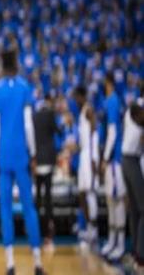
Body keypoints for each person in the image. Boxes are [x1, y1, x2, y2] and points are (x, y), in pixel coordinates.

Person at [0, 44, 44, 275]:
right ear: (17, 64)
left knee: (5, 208)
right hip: (22, 154)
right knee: (29, 207)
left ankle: (10, 264)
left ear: (3, 66)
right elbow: (29, 124)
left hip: (4, 155)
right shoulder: (24, 87)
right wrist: (33, 152)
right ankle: (37, 263)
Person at [100, 73, 126, 261]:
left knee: (117, 200)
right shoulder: (113, 100)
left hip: (115, 159)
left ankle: (120, 243)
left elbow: (112, 131)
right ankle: (112, 240)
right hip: (113, 158)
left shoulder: (112, 101)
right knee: (111, 200)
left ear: (108, 83)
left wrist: (106, 156)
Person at [72, 85, 99, 248]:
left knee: (90, 192)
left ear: (82, 96)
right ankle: (89, 228)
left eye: (77, 97)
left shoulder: (88, 110)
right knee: (82, 193)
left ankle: (94, 231)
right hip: (83, 154)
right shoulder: (81, 112)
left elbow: (94, 134)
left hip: (89, 156)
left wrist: (94, 157)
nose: (75, 100)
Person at [33, 93, 60, 248]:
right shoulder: (50, 115)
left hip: (37, 161)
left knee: (38, 199)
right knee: (48, 199)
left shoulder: (35, 116)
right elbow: (58, 131)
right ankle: (48, 236)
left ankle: (36, 234)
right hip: (48, 161)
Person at [121, 96, 144, 271]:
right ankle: (140, 256)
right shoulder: (139, 107)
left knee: (135, 210)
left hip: (127, 159)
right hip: (134, 161)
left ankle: (135, 253)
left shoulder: (133, 105)